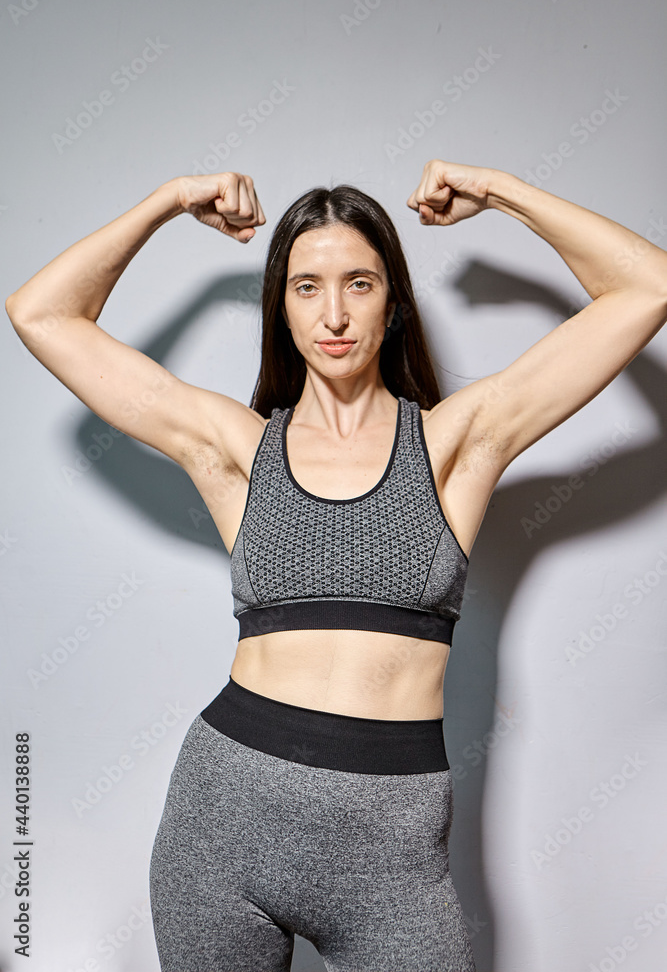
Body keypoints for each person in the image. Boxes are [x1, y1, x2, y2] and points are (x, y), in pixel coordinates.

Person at [6, 161, 666, 972]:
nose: (334, 313)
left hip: (393, 853)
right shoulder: (237, 450)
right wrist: (170, 202)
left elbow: (647, 290)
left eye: (359, 283)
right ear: (279, 308)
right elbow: (40, 312)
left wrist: (498, 192)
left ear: (392, 304)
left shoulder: (457, 443)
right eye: (306, 286)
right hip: (222, 826)